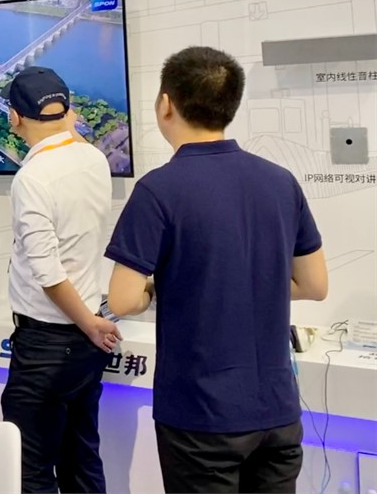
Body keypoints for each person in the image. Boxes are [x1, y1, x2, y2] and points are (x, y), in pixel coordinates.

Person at [105, 46, 328, 494]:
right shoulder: (280, 181)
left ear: (166, 104)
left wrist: (159, 289)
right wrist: (248, 280)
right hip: (278, 413)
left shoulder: (158, 190)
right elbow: (314, 284)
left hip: (200, 417)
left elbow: (122, 300)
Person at [0, 66, 119, 494]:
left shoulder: (32, 178)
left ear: (14, 117)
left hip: (47, 345)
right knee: (82, 460)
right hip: (85, 344)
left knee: (29, 469)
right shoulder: (93, 158)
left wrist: (89, 324)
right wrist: (91, 325)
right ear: (67, 110)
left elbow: (48, 273)